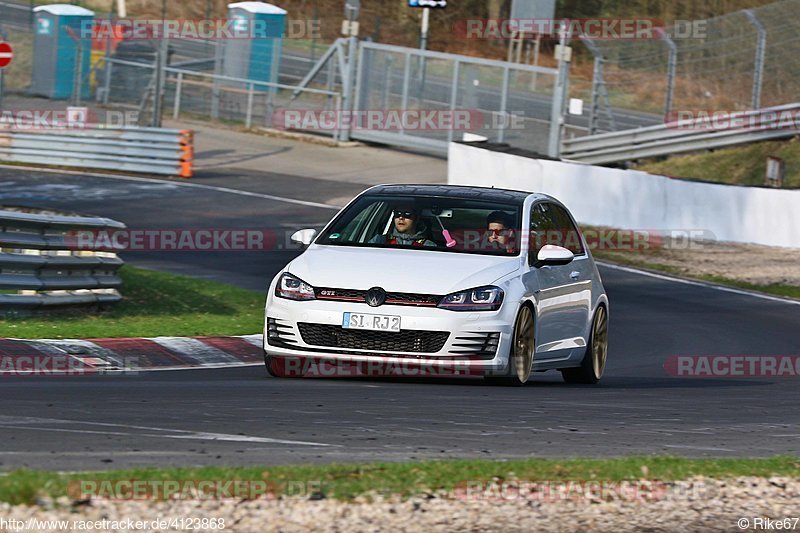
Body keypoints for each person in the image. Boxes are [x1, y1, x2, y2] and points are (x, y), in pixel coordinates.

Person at [370, 206, 437, 247]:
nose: (401, 217)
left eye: (407, 214)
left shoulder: (428, 246)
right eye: (397, 214)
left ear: (416, 218)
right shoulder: (379, 241)